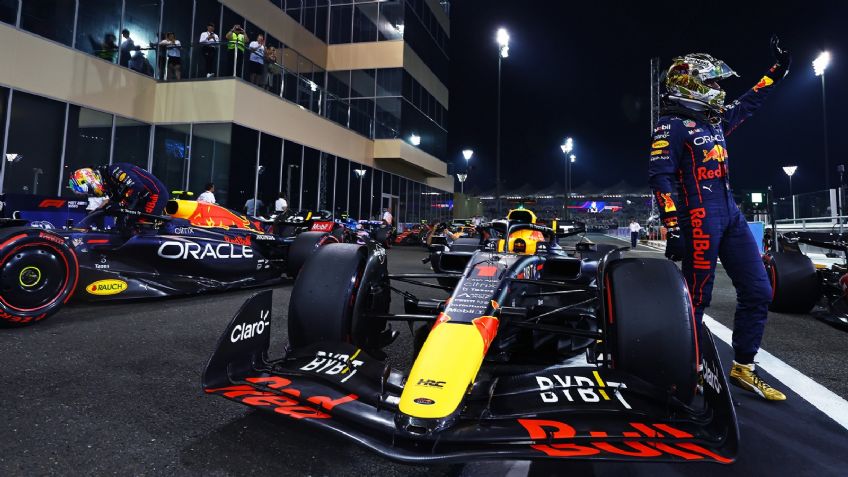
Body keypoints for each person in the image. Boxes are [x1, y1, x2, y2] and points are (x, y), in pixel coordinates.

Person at [648, 36, 791, 401]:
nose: (716, 88)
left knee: (759, 290)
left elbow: (750, 101)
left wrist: (777, 71)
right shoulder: (672, 125)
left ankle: (743, 366)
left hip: (729, 213)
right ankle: (690, 370)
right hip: (699, 217)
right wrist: (673, 226)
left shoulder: (714, 120)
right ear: (689, 83)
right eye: (710, 81)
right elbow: (660, 177)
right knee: (697, 298)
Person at [69, 163, 169, 226]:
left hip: (155, 194)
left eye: (89, 190)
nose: (91, 193)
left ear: (90, 180)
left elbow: (137, 186)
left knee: (143, 225)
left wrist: (121, 204)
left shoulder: (115, 170)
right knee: (123, 225)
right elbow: (115, 200)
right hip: (142, 198)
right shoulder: (108, 181)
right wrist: (99, 211)